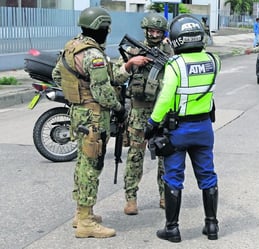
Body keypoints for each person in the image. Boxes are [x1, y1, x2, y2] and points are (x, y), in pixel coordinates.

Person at [143, 14, 220, 243]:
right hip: (204, 127)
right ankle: (212, 225)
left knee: (174, 177)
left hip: (178, 130)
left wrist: (152, 123)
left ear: (176, 39)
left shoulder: (174, 65)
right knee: (207, 175)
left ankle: (172, 229)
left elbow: (166, 98)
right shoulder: (214, 60)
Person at [52, 6, 124, 238]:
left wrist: (78, 92)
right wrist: (119, 108)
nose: (107, 32)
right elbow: (103, 93)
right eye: (106, 28)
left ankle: (82, 213)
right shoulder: (93, 55)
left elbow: (56, 75)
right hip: (93, 116)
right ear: (100, 28)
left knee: (83, 164)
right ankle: (85, 222)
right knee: (91, 167)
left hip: (78, 113)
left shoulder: (72, 46)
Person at [112, 13, 174, 215]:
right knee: (135, 156)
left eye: (158, 31)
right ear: (146, 30)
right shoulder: (133, 50)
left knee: (165, 156)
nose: (154, 34)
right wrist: (130, 64)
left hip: (162, 112)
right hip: (139, 111)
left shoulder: (171, 53)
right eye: (151, 31)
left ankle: (165, 195)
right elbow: (116, 77)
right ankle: (131, 198)